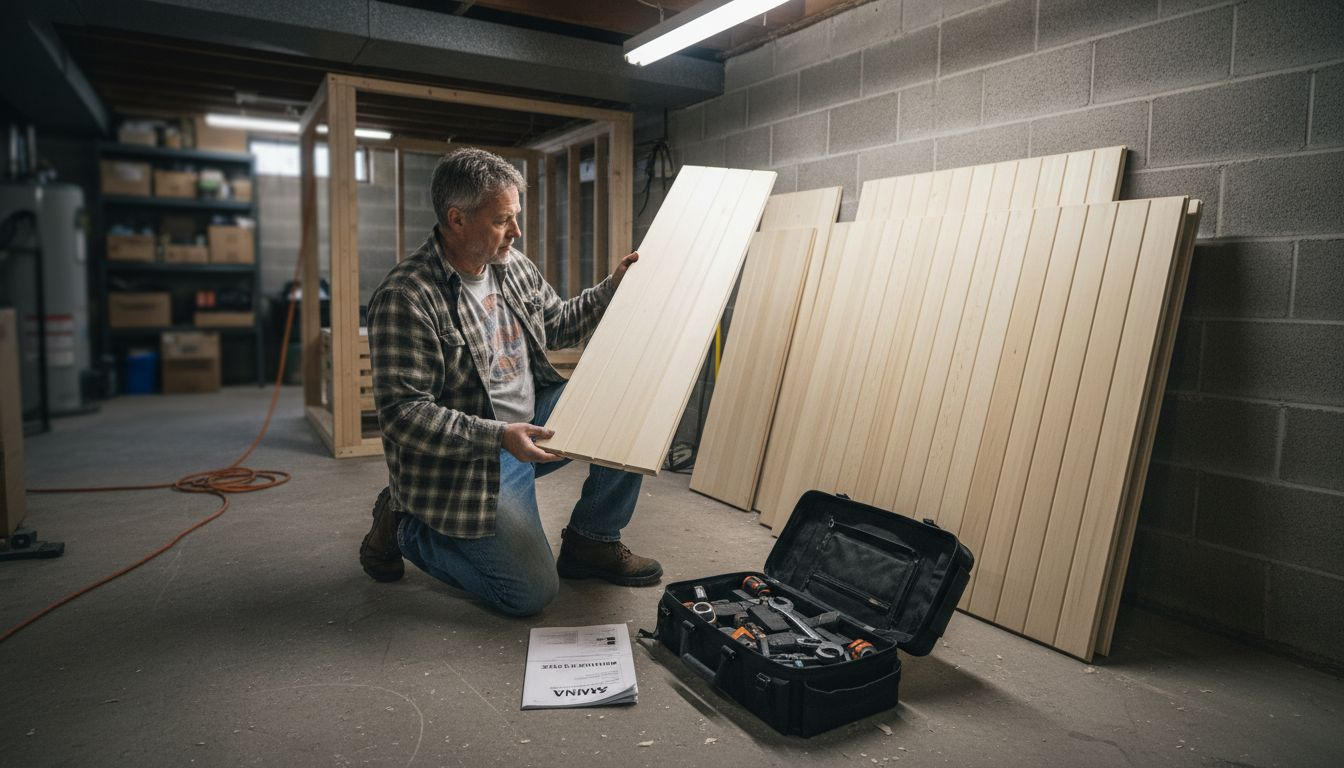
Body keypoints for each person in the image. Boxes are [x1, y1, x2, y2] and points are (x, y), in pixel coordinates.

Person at [358, 147, 662, 617]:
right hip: (468, 460)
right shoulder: (407, 297)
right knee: (530, 593)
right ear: (457, 219)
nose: (516, 232)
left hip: (529, 424)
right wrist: (498, 436)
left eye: (514, 216)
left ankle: (592, 541)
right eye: (503, 220)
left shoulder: (512, 265)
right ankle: (405, 525)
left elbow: (558, 324)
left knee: (627, 397)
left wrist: (612, 288)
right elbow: (403, 416)